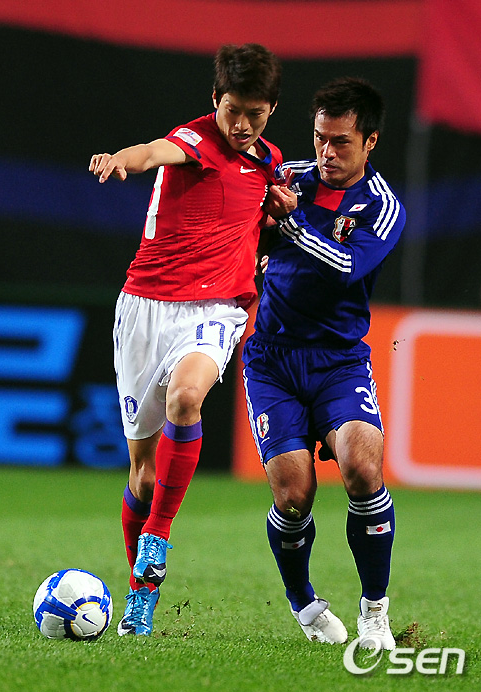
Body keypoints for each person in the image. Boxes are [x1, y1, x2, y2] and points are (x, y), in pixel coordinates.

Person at [89, 43, 283, 636]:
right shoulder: (196, 139)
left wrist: (278, 214)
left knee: (186, 397)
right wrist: (123, 159)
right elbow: (155, 150)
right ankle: (140, 595)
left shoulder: (271, 163)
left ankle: (158, 534)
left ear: (271, 110)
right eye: (232, 110)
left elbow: (259, 216)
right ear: (215, 101)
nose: (241, 124)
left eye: (254, 113)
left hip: (216, 307)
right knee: (142, 475)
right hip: (145, 308)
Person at [242, 77, 406, 649]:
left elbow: (344, 268)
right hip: (273, 361)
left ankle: (374, 610)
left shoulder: (381, 206)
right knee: (293, 495)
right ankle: (305, 604)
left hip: (339, 362)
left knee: (362, 467)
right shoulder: (287, 179)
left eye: (340, 142)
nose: (326, 152)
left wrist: (289, 224)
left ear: (370, 141)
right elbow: (242, 233)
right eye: (319, 138)